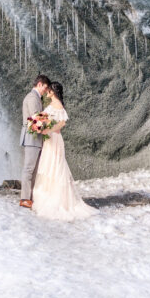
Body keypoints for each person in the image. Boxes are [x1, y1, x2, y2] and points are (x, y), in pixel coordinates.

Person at [32, 82, 96, 221]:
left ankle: (58, 199)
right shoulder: (51, 105)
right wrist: (38, 124)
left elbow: (61, 124)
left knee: (56, 166)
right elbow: (44, 118)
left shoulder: (58, 105)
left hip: (55, 139)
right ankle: (48, 194)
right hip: (49, 140)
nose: (47, 92)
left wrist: (47, 130)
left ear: (53, 92)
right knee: (48, 165)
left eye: (49, 91)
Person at [19, 74, 51, 208]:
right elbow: (35, 118)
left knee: (33, 169)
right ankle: (25, 198)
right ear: (39, 84)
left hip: (35, 139)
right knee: (29, 168)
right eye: (45, 87)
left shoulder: (36, 97)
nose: (46, 90)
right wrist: (49, 121)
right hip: (31, 138)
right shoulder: (32, 97)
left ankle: (30, 198)